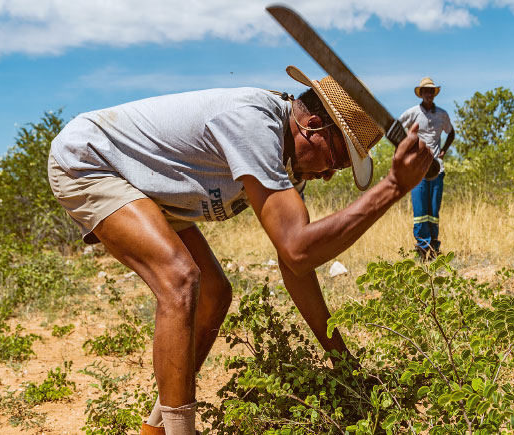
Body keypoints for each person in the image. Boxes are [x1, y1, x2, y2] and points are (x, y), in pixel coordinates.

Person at [47, 65, 433, 435]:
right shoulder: (255, 124)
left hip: (151, 188)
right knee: (179, 278)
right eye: (336, 159)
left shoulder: (284, 160)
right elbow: (299, 249)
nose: (329, 174)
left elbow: (295, 266)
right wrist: (393, 187)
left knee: (215, 294)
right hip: (90, 161)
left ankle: (157, 428)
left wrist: (342, 361)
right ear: (314, 127)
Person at [398, 77, 455, 261]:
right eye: (426, 91)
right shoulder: (413, 112)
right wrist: (409, 148)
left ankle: (434, 247)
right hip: (418, 167)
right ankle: (422, 248)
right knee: (420, 210)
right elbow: (398, 127)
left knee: (433, 211)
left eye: (431, 91)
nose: (428, 94)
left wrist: (444, 150)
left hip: (436, 167)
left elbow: (451, 132)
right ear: (421, 94)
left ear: (434, 93)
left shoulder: (442, 114)